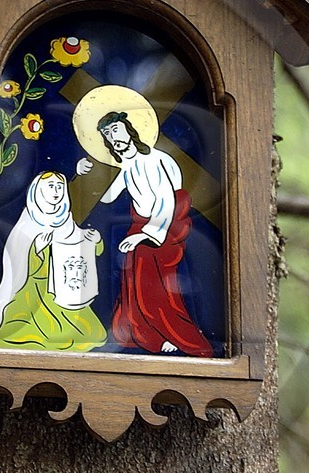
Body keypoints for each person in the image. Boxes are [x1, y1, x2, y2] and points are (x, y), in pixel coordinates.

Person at [77, 112, 212, 358]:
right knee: (133, 277)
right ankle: (146, 335)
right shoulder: (127, 165)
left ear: (130, 130)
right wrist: (87, 170)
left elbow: (165, 200)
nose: (113, 137)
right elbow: (107, 196)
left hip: (167, 227)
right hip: (142, 227)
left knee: (154, 280)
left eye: (116, 129)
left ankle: (172, 334)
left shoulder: (154, 159)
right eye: (107, 134)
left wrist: (145, 235)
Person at [0, 172, 107, 352]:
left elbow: (82, 247)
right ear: (39, 190)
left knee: (89, 333)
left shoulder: (66, 220)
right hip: (34, 291)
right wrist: (37, 248)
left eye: (59, 187)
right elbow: (17, 256)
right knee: (25, 330)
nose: (56, 191)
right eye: (51, 186)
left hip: (61, 290)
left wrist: (95, 240)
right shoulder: (28, 222)